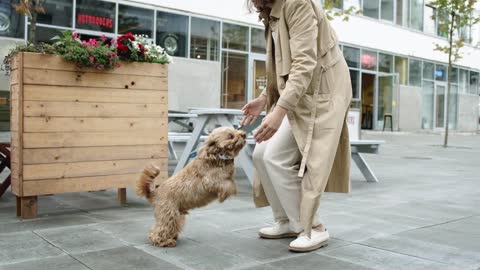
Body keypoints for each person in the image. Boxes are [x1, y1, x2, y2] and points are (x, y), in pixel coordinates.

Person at [241, 0, 353, 252]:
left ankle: (314, 228)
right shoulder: (272, 10)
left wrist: (279, 111)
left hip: (322, 92)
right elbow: (283, 64)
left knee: (275, 157)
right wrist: (264, 99)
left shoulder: (297, 3)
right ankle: (287, 221)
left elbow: (304, 62)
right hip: (302, 91)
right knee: (261, 154)